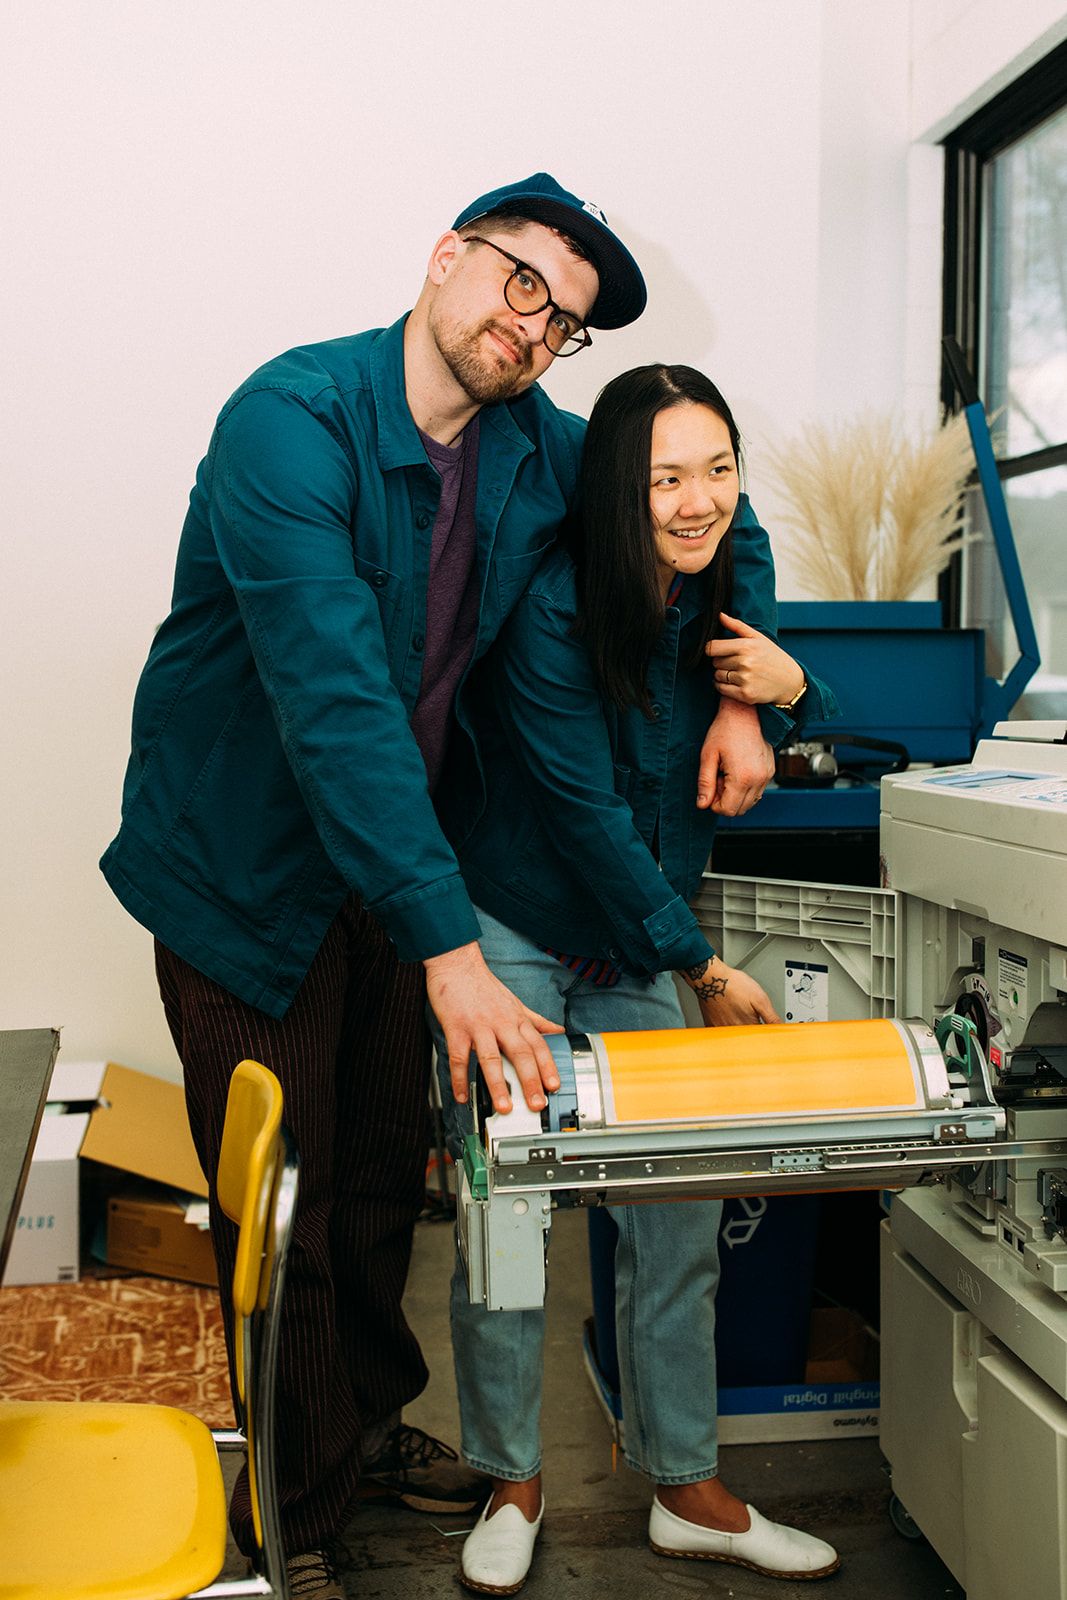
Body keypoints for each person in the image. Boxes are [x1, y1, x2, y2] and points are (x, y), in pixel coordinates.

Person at [100, 177, 781, 1595]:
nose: (535, 328)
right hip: (245, 873)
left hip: (388, 868)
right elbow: (338, 703)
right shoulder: (290, 421)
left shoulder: (533, 443)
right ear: (444, 261)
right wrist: (450, 946)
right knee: (280, 1210)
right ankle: (292, 1518)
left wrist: (746, 690)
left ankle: (361, 1431)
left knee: (372, 1187)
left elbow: (688, 505)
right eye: (523, 285)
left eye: (565, 321)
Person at [433, 363, 842, 1593]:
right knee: (505, 1212)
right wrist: (705, 964)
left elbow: (832, 700)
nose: (696, 498)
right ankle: (510, 1479)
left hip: (642, 929)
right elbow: (579, 820)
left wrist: (770, 705)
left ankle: (685, 1487)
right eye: (665, 475)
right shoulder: (556, 606)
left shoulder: (721, 578)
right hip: (519, 920)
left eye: (716, 468)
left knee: (672, 1219)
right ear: (617, 483)